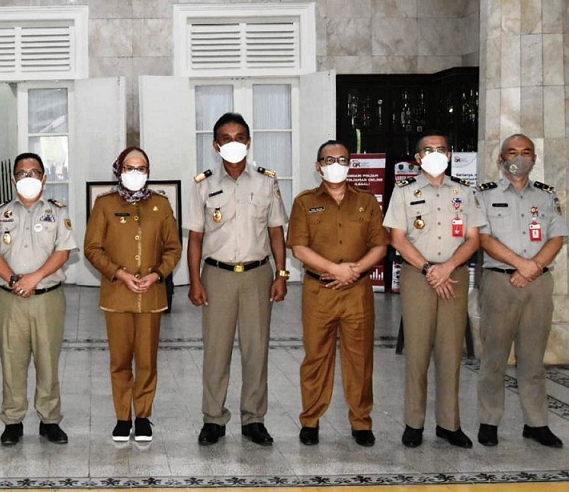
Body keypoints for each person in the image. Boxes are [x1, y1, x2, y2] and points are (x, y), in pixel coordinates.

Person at [185, 112, 289, 447]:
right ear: (216, 145)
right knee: (216, 351)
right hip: (217, 274)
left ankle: (253, 419)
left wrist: (282, 274)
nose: (234, 143)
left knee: (256, 350)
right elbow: (196, 238)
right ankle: (213, 419)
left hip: (258, 274)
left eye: (240, 137)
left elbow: (276, 232)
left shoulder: (265, 181)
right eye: (226, 138)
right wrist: (194, 282)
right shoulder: (203, 184)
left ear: (249, 141)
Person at [383, 130, 486, 449]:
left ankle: (448, 423)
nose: (437, 154)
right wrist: (430, 269)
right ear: (418, 158)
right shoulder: (403, 192)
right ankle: (414, 423)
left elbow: (473, 238)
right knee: (417, 352)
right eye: (429, 150)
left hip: (453, 276)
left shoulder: (465, 193)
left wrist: (447, 268)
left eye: (442, 149)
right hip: (418, 276)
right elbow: (396, 239)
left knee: (451, 351)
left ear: (451, 154)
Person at [286, 140, 388, 447]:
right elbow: (299, 247)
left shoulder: (367, 202)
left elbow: (380, 245)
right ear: (318, 166)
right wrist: (335, 268)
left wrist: (353, 271)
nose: (335, 164)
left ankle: (361, 422)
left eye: (342, 159)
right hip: (319, 290)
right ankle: (311, 420)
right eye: (329, 159)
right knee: (316, 357)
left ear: (350, 164)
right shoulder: (305, 202)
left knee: (360, 359)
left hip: (357, 290)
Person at [84, 147, 182, 442]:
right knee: (120, 360)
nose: (135, 173)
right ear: (119, 169)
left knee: (148, 360)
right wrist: (119, 273)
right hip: (117, 295)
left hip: (151, 295)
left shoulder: (161, 205)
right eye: (130, 167)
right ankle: (122, 417)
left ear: (148, 172)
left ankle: (143, 416)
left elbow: (173, 248)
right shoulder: (104, 204)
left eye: (141, 168)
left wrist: (158, 274)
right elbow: (92, 248)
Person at [476, 133, 567, 448]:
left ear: (534, 159)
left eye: (526, 152)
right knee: (494, 357)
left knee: (533, 358)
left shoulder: (546, 196)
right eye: (512, 152)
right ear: (501, 159)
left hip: (538, 284)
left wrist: (535, 267)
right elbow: (483, 238)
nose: (519, 157)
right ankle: (489, 421)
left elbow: (557, 237)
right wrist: (520, 265)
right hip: (500, 283)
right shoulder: (484, 195)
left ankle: (536, 423)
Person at [0, 152, 77, 446]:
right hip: (10, 299)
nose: (28, 178)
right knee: (12, 361)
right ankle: (13, 421)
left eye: (34, 172)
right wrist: (14, 280)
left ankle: (50, 421)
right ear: (13, 179)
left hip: (48, 297)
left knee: (48, 361)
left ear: (44, 178)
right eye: (22, 173)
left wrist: (34, 278)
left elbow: (64, 251)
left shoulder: (58, 212)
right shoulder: (0, 214)